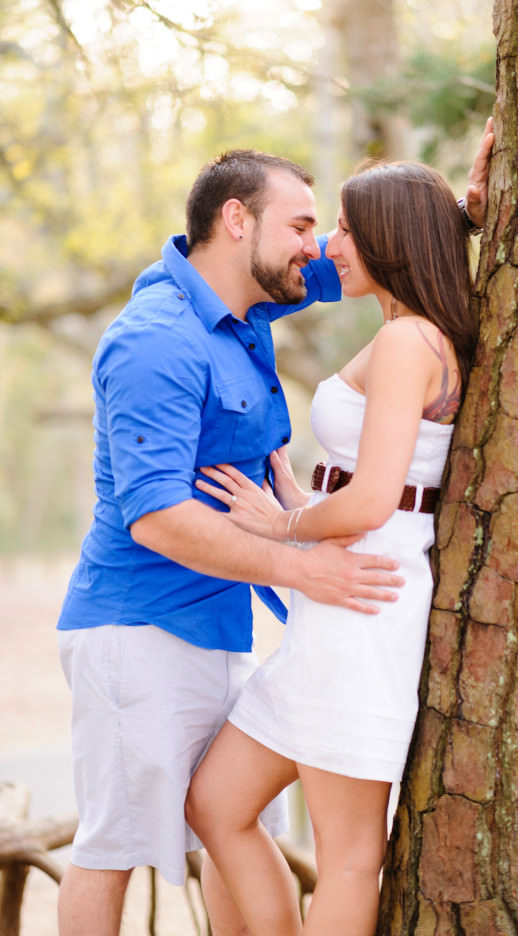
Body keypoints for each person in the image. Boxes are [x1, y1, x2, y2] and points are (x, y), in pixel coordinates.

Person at [55, 125, 491, 936]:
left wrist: (460, 217)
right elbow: (154, 516)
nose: (319, 248)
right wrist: (296, 559)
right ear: (236, 222)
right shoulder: (158, 340)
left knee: (225, 819)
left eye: (331, 229)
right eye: (303, 226)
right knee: (115, 844)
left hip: (232, 621)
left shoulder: (251, 298)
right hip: (139, 628)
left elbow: (388, 251)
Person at [182, 159, 473, 936]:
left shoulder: (411, 340)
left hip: (363, 600)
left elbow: (380, 498)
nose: (330, 245)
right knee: (216, 805)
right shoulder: (404, 331)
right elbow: (378, 484)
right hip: (335, 596)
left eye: (344, 227)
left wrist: (283, 525)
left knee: (347, 855)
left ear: (390, 237)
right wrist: (305, 498)